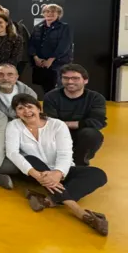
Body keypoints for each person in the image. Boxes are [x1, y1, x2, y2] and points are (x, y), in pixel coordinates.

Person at [6, 94, 108, 236]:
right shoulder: (13, 126)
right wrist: (37, 175)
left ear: (38, 108)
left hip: (61, 169)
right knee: (30, 158)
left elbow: (65, 153)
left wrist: (58, 173)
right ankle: (78, 211)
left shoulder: (57, 125)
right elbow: (12, 153)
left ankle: (49, 200)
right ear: (16, 112)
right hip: (34, 172)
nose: (26, 111)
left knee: (98, 174)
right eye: (20, 108)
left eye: (30, 107)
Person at [43, 64, 107, 166]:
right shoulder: (51, 97)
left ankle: (79, 163)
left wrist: (65, 124)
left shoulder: (96, 98)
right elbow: (51, 122)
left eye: (75, 78)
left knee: (93, 135)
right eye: (66, 78)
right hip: (57, 133)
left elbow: (98, 122)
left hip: (82, 133)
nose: (70, 82)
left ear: (85, 80)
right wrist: (79, 123)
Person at [29, 3, 73, 93]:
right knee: (46, 89)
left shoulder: (64, 27)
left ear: (59, 14)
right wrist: (36, 58)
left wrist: (51, 60)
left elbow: (64, 45)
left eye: (53, 12)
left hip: (58, 64)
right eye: (47, 11)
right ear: (43, 13)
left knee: (59, 88)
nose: (49, 13)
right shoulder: (37, 27)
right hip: (41, 64)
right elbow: (31, 44)